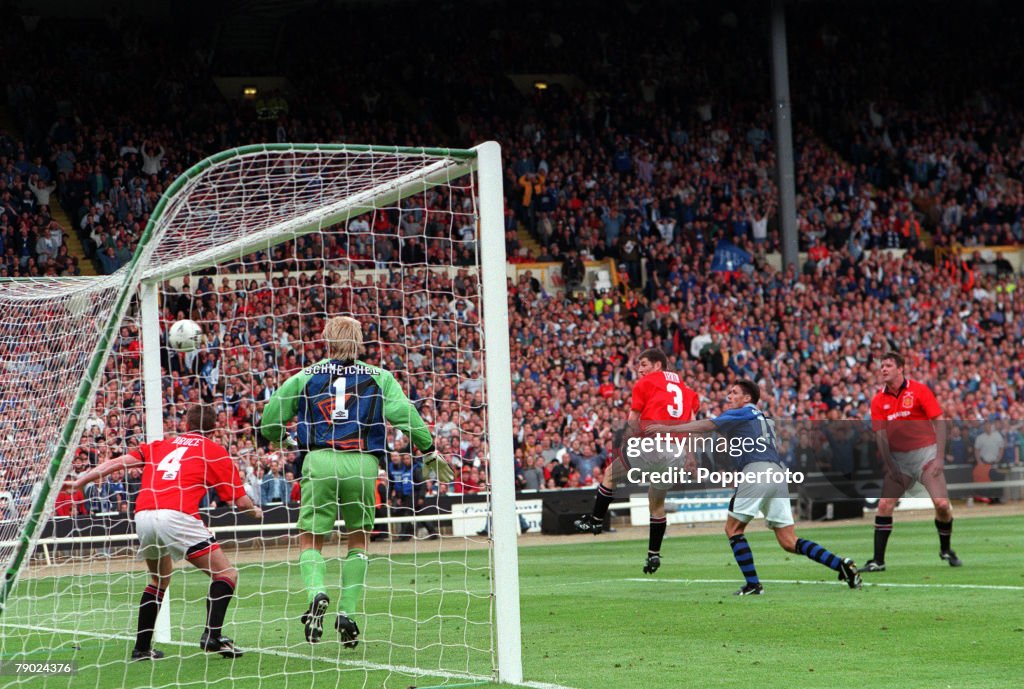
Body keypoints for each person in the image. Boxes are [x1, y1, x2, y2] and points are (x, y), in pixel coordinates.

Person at [260, 316, 453, 647]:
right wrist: (429, 450)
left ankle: (317, 591)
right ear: (360, 341)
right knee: (359, 542)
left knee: (310, 541)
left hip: (318, 462)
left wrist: (284, 440)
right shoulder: (380, 377)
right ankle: (347, 612)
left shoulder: (305, 376)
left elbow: (269, 420)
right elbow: (406, 414)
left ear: (326, 340)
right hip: (363, 465)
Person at [69, 404, 262, 660]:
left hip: (144, 514)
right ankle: (212, 636)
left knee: (159, 580)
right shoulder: (215, 451)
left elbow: (118, 462)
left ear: (185, 425)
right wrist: (256, 512)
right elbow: (240, 502)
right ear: (214, 428)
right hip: (176, 515)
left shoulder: (162, 445)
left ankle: (141, 649)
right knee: (226, 574)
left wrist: (82, 480)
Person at [650, 380, 862, 595]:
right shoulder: (763, 419)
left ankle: (753, 585)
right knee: (789, 541)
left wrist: (669, 428)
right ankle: (842, 564)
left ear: (747, 398)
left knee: (733, 529)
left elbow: (708, 426)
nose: (729, 396)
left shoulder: (743, 413)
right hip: (777, 474)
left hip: (757, 472)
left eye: (734, 393)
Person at [574, 348, 700, 576]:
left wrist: (625, 442)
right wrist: (690, 455)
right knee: (657, 501)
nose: (639, 370)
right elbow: (693, 424)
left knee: (611, 473)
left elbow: (633, 419)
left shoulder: (645, 384)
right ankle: (653, 554)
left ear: (657, 365)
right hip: (676, 453)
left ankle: (595, 520)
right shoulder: (687, 390)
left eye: (643, 364)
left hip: (652, 444)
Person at [866, 352, 961, 571]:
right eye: (882, 366)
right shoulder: (878, 400)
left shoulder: (919, 390)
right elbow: (880, 436)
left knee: (943, 505)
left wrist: (938, 456)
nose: (883, 369)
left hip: (925, 455)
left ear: (900, 368)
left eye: (888, 365)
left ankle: (945, 549)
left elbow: (939, 420)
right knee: (884, 505)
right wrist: (890, 466)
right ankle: (878, 561)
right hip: (899, 459)